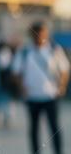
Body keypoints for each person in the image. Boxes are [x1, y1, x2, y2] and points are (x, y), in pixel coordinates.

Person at [12, 21, 69, 154]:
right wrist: (22, 88)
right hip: (32, 96)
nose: (39, 37)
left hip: (50, 96)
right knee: (34, 128)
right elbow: (16, 72)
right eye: (36, 34)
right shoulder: (24, 51)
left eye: (42, 34)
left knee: (54, 127)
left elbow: (65, 69)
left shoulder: (55, 49)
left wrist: (62, 86)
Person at [0, 41, 15, 129]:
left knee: (0, 102)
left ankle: (1, 120)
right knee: (7, 101)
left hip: (0, 83)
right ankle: (6, 119)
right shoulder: (9, 54)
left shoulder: (0, 55)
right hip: (5, 83)